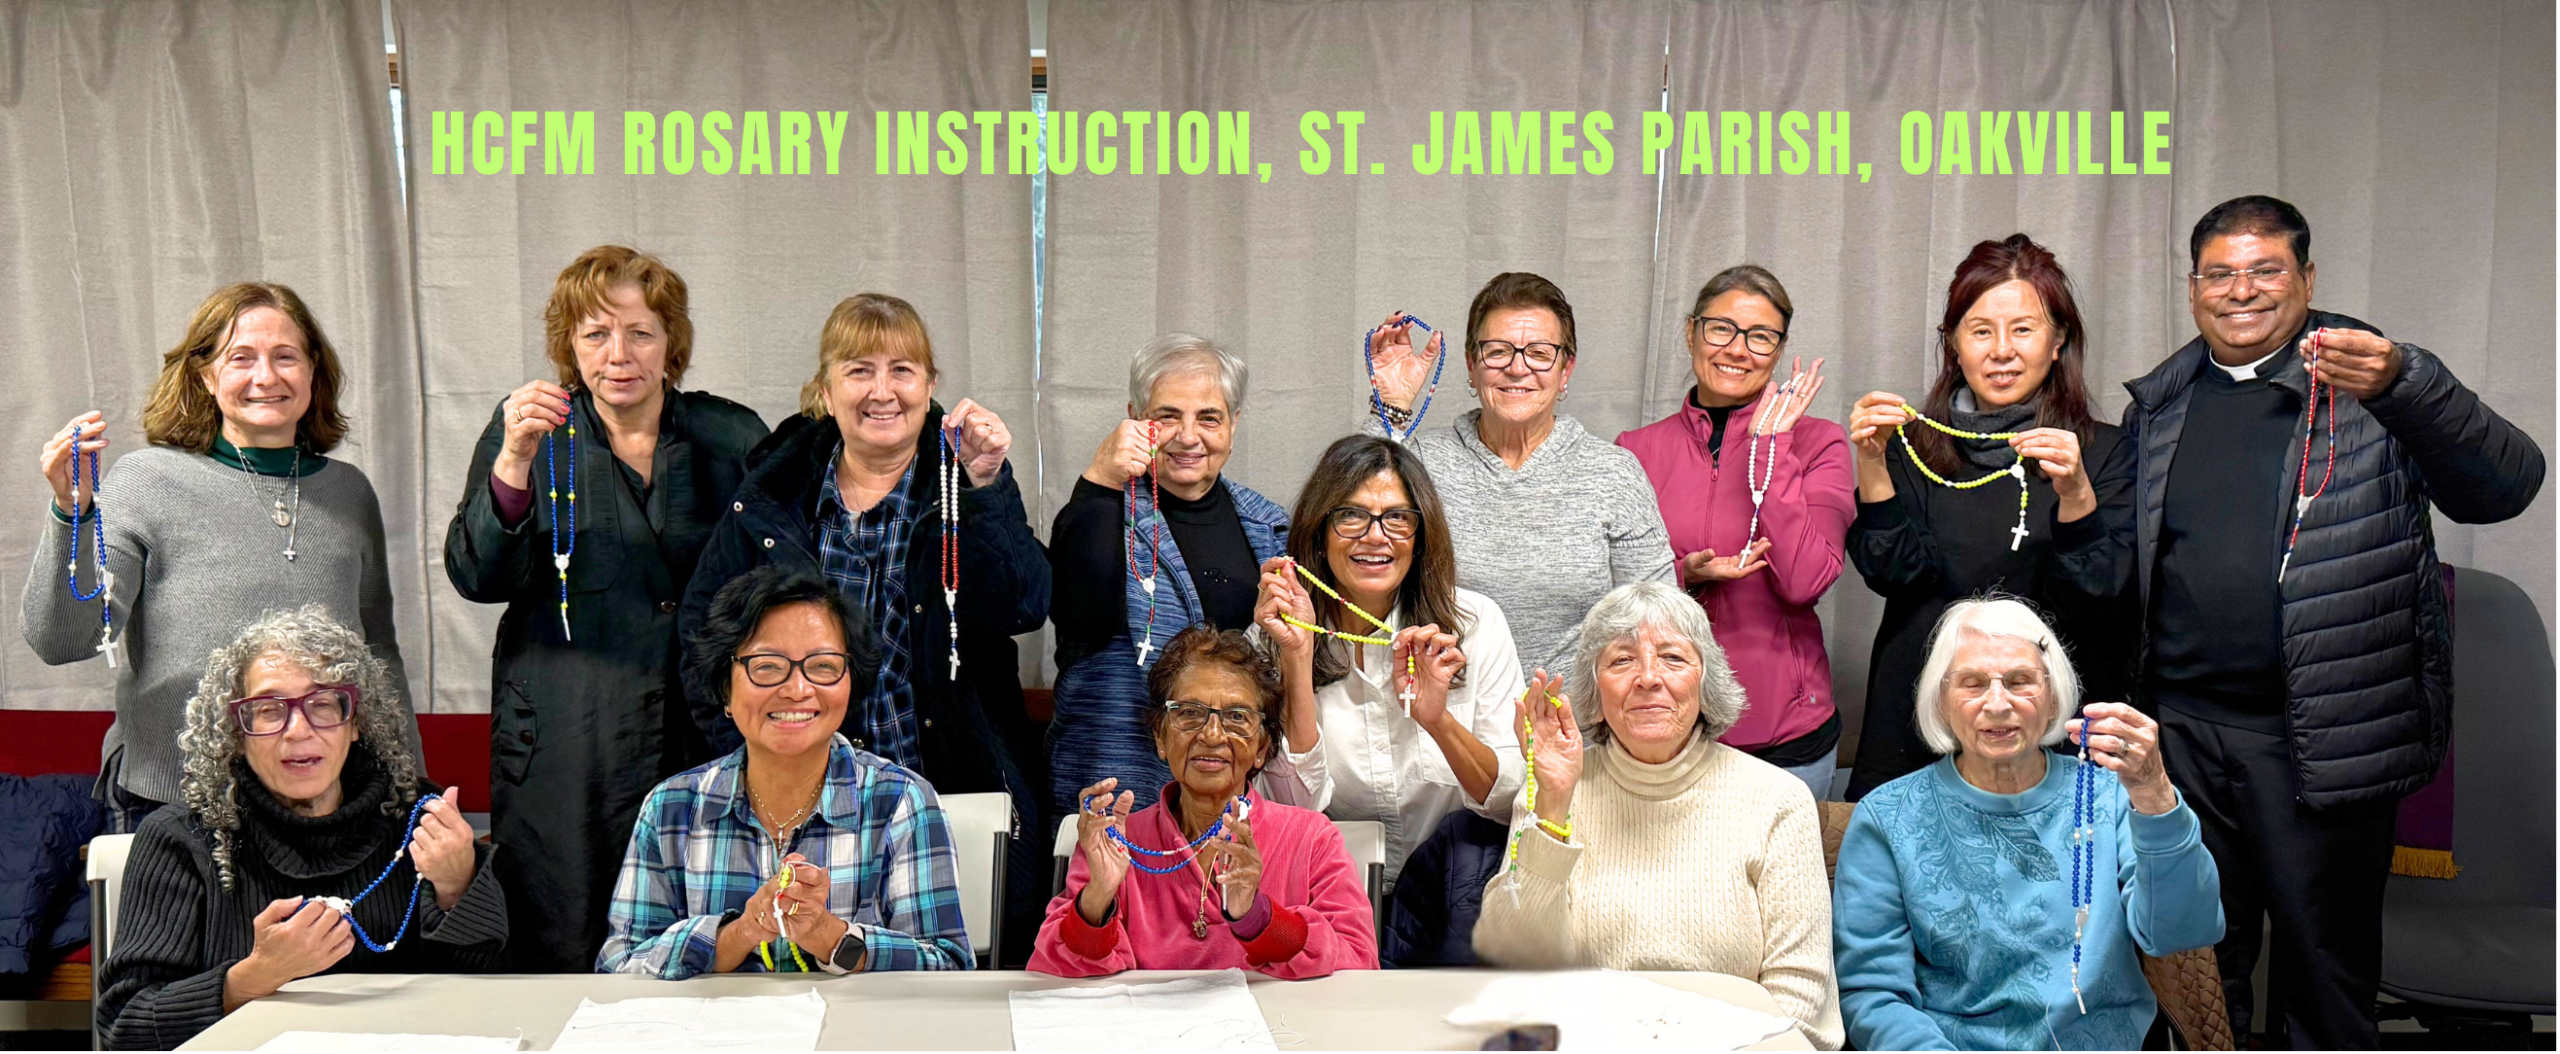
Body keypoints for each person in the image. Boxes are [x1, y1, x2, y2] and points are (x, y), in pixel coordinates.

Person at [2122, 195, 2544, 1048]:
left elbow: (2505, 487)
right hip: (2186, 741)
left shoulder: (2373, 381)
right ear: (2194, 287)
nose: (2241, 291)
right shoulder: (2161, 405)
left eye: (2266, 270)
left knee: (2325, 973)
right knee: (2195, 971)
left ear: (2307, 279)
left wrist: (2408, 384)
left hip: (2321, 740)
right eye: (2219, 273)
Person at [679, 291, 1048, 963]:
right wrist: (764, 757)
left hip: (947, 795)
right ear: (826, 389)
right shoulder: (772, 495)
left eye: (902, 370)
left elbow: (1025, 604)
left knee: (939, 989)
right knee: (802, 985)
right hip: (801, 803)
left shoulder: (966, 475)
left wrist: (988, 485)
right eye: (859, 370)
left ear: (930, 385)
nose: (883, 391)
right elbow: (703, 649)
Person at [442, 246, 768, 972]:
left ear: (670, 344)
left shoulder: (732, 436)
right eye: (595, 334)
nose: (618, 354)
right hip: (566, 748)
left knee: (704, 943)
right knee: (563, 943)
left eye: (640, 333)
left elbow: (779, 582)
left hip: (702, 740)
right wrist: (513, 463)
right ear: (569, 346)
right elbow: (475, 573)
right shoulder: (526, 434)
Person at [24, 282, 417, 832]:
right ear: (205, 377)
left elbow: (379, 655)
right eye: (241, 358)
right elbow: (63, 640)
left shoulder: (349, 492)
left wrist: (410, 786)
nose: (266, 377)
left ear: (312, 373)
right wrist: (72, 513)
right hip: (173, 803)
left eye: (286, 357)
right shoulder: (146, 481)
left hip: (319, 802)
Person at [95, 607, 502, 1050]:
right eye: (269, 710)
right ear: (237, 730)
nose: (297, 729)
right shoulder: (180, 839)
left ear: (356, 723)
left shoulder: (418, 821)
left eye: (323, 704)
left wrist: (458, 888)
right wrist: (252, 978)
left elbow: (485, 994)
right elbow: (124, 1028)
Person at [1833, 596, 2223, 1050]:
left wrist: (2154, 792)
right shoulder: (1888, 817)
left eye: (2020, 682)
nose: (1997, 704)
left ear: (2054, 695)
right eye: (1973, 683)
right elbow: (1874, 993)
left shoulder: (2111, 795)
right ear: (1941, 702)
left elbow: (2181, 931)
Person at [1474, 581, 1843, 1050]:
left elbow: (1800, 1001)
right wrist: (1551, 803)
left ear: (1705, 681)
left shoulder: (1778, 800)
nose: (1648, 677)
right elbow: (1514, 961)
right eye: (1622, 660)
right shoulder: (1554, 788)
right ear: (1593, 688)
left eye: (1672, 657)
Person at [1843, 235, 2134, 800]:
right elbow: (1894, 574)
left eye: (2023, 329)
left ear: (2058, 342)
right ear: (1954, 346)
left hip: (2044, 724)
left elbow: (2102, 598)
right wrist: (1873, 461)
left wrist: (2075, 491)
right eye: (1981, 331)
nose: (2002, 350)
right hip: (1919, 720)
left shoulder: (2105, 452)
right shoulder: (1913, 445)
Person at [600, 565, 971, 977]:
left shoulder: (902, 801)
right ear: (725, 687)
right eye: (767, 666)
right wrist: (739, 933)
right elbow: (620, 966)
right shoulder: (672, 808)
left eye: (824, 666)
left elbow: (948, 968)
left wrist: (830, 937)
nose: (797, 689)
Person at [1360, 273, 1676, 675]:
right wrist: (1390, 404)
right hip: (1440, 718)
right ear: (1472, 367)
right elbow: (1348, 535)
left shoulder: (1613, 472)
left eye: (1540, 353)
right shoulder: (1421, 459)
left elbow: (1660, 615)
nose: (1517, 368)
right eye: (1497, 351)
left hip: (1569, 724)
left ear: (1565, 371)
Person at [1617, 265, 1854, 798]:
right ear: (1691, 332)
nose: (1737, 349)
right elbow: (1616, 589)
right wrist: (1685, 574)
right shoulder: (1635, 449)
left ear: (1778, 349)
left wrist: (1771, 443)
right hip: (1665, 725)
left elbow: (1805, 580)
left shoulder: (1820, 443)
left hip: (1786, 737)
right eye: (1721, 328)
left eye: (1760, 336)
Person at [1251, 435, 1525, 891]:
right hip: (1329, 891)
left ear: (1420, 538)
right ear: (1319, 534)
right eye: (1351, 515)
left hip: (1455, 895)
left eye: (1396, 517)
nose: (1375, 535)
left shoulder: (1475, 624)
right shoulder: (1271, 635)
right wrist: (1296, 660)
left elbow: (1510, 802)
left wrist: (1437, 721)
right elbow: (1290, 811)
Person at [1032, 625, 1376, 979]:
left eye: (1237, 717)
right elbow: (1057, 972)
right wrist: (1098, 897)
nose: (1212, 735)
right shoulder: (1117, 838)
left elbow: (1359, 967)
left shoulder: (1310, 837)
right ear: (1161, 738)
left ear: (1261, 748)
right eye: (1189, 713)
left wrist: (1258, 916)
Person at [1047, 333, 1289, 816]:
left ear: (1234, 424)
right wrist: (1100, 479)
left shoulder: (1268, 525)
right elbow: (1080, 617)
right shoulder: (1099, 509)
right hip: (1115, 791)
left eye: (1209, 418)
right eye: (1167, 416)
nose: (1188, 436)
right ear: (1135, 417)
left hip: (1232, 798)